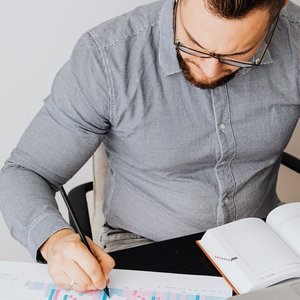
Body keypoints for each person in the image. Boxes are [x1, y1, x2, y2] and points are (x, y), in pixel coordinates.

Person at [0, 0, 299, 294]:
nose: (209, 71)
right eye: (192, 44)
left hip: (262, 243)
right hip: (144, 248)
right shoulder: (108, 59)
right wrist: (54, 239)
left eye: (238, 55)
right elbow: (25, 172)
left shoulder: (295, 37)